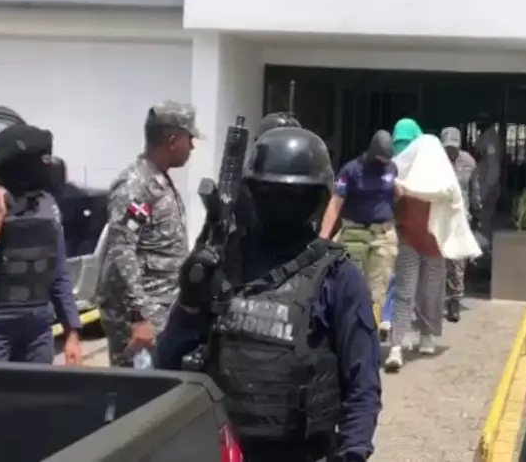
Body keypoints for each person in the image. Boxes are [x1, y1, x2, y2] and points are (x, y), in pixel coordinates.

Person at [157, 126, 381, 462]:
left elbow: (362, 386)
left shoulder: (338, 276)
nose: (282, 206)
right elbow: (167, 363)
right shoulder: (223, 264)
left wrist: (352, 455)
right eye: (270, 194)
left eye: (296, 196)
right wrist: (189, 302)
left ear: (317, 200)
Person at [0, 124, 82, 364]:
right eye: (41, 160)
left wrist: (72, 332)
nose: (49, 166)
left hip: (37, 335)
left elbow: (59, 272)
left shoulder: (46, 205)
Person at [97, 101, 197, 367]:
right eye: (189, 139)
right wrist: (140, 316)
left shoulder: (157, 180)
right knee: (136, 388)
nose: (192, 147)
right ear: (173, 141)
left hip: (159, 312)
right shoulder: (136, 185)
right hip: (139, 320)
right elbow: (121, 250)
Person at [319, 130, 398, 333]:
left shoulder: (392, 169)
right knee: (352, 284)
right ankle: (348, 330)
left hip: (383, 235)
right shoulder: (352, 170)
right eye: (380, 158)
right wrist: (323, 237)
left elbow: (397, 196)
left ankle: (371, 332)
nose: (383, 162)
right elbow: (335, 203)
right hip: (355, 233)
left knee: (378, 290)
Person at [385, 118, 446, 372]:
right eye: (398, 143)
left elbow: (449, 196)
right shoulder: (393, 169)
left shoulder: (435, 166)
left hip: (434, 240)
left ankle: (426, 334)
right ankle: (396, 345)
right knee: (404, 291)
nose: (403, 148)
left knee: (431, 291)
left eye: (407, 143)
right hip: (408, 237)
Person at [439, 127, 481, 323]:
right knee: (439, 263)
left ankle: (454, 302)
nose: (451, 152)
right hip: (440, 218)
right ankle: (436, 301)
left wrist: (477, 213)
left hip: (461, 218)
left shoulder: (469, 162)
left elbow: (474, 190)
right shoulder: (435, 162)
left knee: (457, 263)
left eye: (453, 148)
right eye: (447, 148)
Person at [473, 113, 503, 248]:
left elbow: (493, 167)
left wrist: (485, 190)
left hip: (488, 186)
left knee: (485, 222)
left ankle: (485, 251)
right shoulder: (486, 137)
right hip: (486, 185)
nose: (477, 125)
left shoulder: (490, 140)